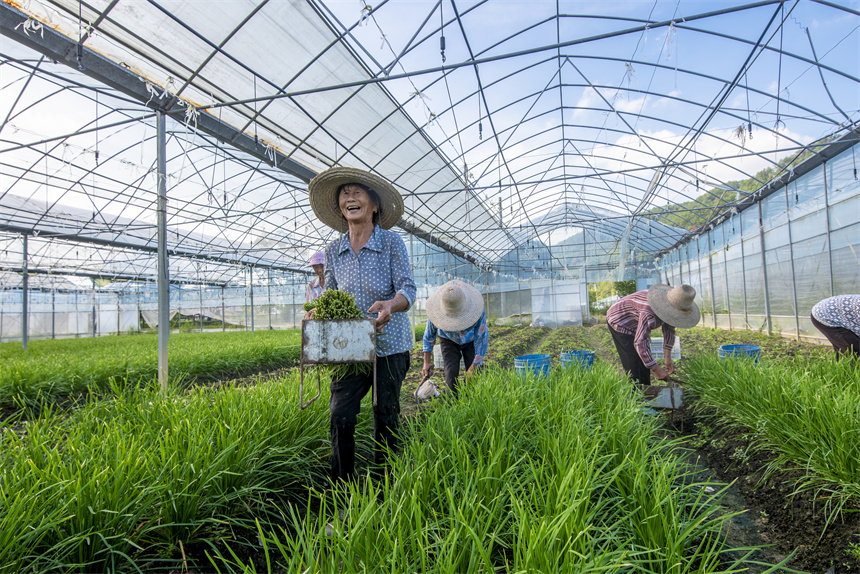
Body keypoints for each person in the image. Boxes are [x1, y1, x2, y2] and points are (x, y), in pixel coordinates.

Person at [306, 166, 416, 484]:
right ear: (340, 206)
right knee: (340, 414)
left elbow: (407, 290)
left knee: (385, 415)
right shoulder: (333, 251)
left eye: (358, 192)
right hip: (349, 344)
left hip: (389, 344)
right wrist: (319, 313)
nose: (350, 197)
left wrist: (390, 306)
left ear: (374, 205)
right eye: (344, 192)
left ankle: (386, 485)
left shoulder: (392, 243)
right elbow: (331, 296)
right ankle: (342, 487)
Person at [606, 284, 700, 387]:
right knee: (633, 362)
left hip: (636, 317)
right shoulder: (649, 311)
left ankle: (646, 391)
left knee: (644, 362)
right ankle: (635, 396)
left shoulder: (672, 303)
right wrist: (656, 368)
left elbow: (669, 329)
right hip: (619, 320)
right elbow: (640, 341)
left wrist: (667, 357)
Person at [421, 280, 488, 398]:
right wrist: (426, 362)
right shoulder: (435, 313)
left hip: (470, 339)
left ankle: (474, 402)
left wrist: (474, 366)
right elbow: (429, 337)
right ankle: (453, 404)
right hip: (448, 340)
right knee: (451, 374)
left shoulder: (477, 311)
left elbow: (481, 339)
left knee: (475, 377)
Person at [810, 295, 860, 360]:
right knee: (852, 348)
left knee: (847, 348)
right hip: (824, 315)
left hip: (836, 313)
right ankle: (848, 368)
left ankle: (843, 367)